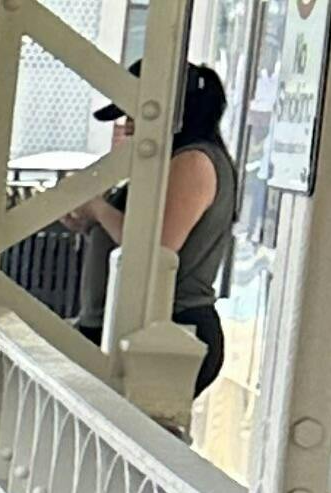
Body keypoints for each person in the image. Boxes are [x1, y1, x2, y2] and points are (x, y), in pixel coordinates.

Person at [71, 59, 236, 402]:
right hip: (137, 326)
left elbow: (156, 249)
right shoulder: (171, 163)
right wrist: (91, 220)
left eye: (133, 115)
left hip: (170, 327)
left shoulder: (193, 162)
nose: (128, 127)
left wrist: (99, 208)